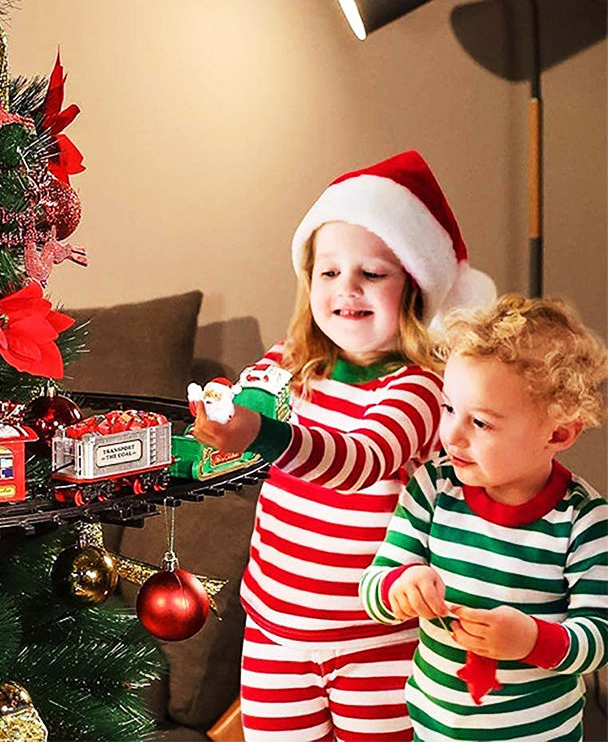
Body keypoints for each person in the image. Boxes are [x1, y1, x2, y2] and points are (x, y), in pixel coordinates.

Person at [192, 150, 496, 741]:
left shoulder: (420, 388)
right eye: (328, 272)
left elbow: (359, 459)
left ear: (414, 287)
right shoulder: (290, 360)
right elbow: (246, 407)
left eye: (372, 274)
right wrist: (225, 414)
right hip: (275, 633)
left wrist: (259, 434)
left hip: (378, 640)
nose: (347, 288)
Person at [359, 294, 608, 741]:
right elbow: (373, 587)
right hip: (432, 730)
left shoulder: (584, 523)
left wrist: (532, 640)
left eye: (482, 423)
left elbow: (600, 637)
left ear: (557, 433)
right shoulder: (432, 488)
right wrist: (401, 585)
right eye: (450, 408)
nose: (452, 435)